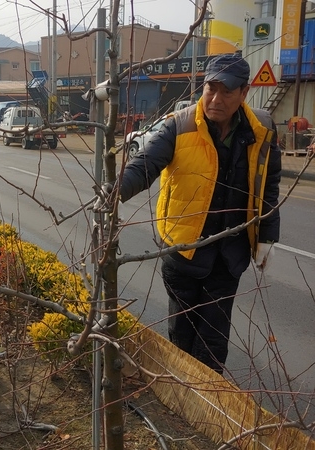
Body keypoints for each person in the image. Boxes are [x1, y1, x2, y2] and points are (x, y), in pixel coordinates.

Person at [117, 53, 281, 374]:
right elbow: (144, 165)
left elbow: (268, 188)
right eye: (210, 89)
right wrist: (113, 194)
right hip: (183, 253)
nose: (216, 99)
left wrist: (267, 237)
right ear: (202, 88)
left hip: (229, 254)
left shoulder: (261, 132)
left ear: (244, 93)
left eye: (227, 91)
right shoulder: (178, 126)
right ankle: (183, 396)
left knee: (213, 341)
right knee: (182, 334)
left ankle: (205, 399)